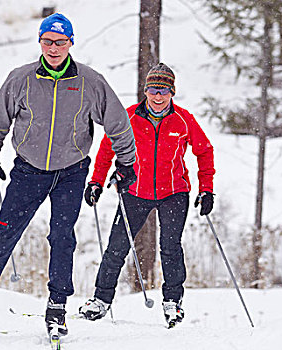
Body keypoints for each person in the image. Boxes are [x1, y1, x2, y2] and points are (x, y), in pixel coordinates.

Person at [0, 13, 137, 338]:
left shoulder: (89, 81)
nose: (54, 48)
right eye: (48, 41)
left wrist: (127, 162)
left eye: (61, 42)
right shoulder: (22, 79)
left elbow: (117, 123)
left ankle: (57, 310)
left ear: (71, 43)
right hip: (28, 172)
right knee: (2, 239)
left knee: (62, 238)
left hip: (71, 172)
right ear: (40, 42)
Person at [78, 63, 215, 328]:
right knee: (117, 247)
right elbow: (107, 149)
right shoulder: (128, 116)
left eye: (163, 90)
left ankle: (173, 303)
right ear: (146, 90)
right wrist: (96, 181)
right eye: (153, 90)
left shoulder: (183, 120)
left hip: (174, 192)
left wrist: (207, 188)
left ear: (172, 92)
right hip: (135, 191)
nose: (158, 96)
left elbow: (204, 150)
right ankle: (100, 300)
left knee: (170, 247)